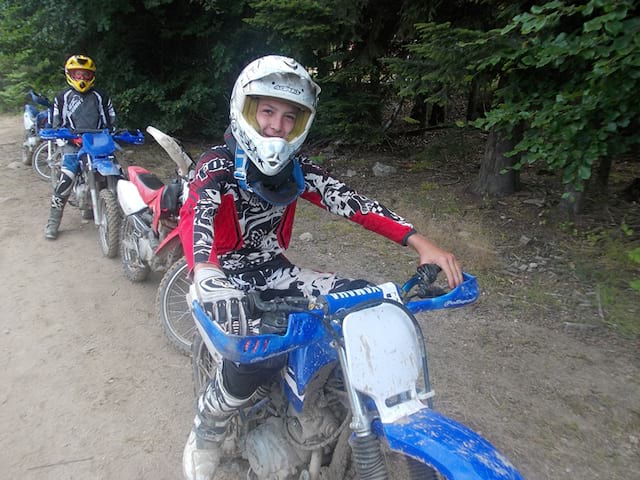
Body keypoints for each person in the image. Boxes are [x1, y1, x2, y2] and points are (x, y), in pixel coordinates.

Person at [182, 54, 463, 480]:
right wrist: (204, 270)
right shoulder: (217, 165)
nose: (277, 125)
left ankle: (337, 399)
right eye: (268, 111)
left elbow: (355, 204)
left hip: (275, 270)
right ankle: (207, 428)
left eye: (289, 116)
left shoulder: (298, 171)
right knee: (250, 362)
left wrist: (421, 243)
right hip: (223, 278)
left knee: (367, 304)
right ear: (247, 109)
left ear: (301, 124)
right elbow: (197, 213)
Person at [44, 54, 116, 240]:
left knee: (118, 173)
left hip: (98, 143)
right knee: (66, 178)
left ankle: (117, 215)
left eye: (85, 75)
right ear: (70, 75)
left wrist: (113, 133)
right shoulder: (61, 97)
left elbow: (110, 121)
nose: (82, 78)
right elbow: (54, 125)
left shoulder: (101, 97)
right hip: (71, 144)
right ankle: (53, 222)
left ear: (92, 76)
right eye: (77, 75)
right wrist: (67, 138)